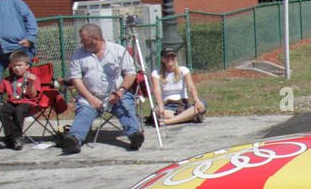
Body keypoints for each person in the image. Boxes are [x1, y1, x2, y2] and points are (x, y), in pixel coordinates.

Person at [62, 23, 143, 153]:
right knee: (84, 113)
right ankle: (75, 139)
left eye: (84, 40)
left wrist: (120, 91)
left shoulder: (118, 50)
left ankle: (134, 135)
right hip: (90, 95)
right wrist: (90, 98)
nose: (82, 42)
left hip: (116, 93)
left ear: (95, 38)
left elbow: (130, 73)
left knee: (125, 107)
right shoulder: (78, 53)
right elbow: (75, 78)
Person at [0, 50, 40, 149]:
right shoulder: (8, 80)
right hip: (13, 102)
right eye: (14, 66)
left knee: (18, 111)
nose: (17, 68)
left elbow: (33, 96)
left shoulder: (32, 78)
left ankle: (10, 139)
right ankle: (15, 138)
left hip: (27, 102)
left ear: (27, 66)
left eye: (20, 65)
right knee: (2, 110)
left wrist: (31, 83)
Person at [150, 48, 206, 125]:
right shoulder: (156, 73)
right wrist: (160, 105)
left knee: (202, 105)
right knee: (156, 111)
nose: (170, 59)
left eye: (172, 56)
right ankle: (189, 117)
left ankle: (169, 121)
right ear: (162, 59)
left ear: (175, 58)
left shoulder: (184, 70)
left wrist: (196, 100)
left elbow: (191, 87)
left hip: (182, 104)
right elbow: (157, 90)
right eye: (167, 57)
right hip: (167, 106)